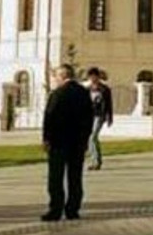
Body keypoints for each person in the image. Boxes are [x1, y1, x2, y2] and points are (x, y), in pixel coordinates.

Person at [42, 65, 95, 221]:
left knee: (56, 177)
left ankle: (55, 209)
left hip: (58, 142)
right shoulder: (83, 93)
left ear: (62, 76)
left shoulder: (57, 94)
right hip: (77, 142)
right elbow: (89, 118)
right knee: (75, 177)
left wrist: (46, 139)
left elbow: (49, 118)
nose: (55, 80)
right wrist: (85, 139)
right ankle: (73, 209)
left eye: (56, 77)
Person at [86, 68, 114, 171]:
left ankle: (96, 161)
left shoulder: (104, 89)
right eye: (90, 76)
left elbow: (109, 104)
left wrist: (110, 117)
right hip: (90, 116)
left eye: (94, 76)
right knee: (91, 138)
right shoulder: (87, 89)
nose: (92, 79)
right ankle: (94, 160)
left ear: (98, 77)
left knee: (92, 137)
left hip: (100, 115)